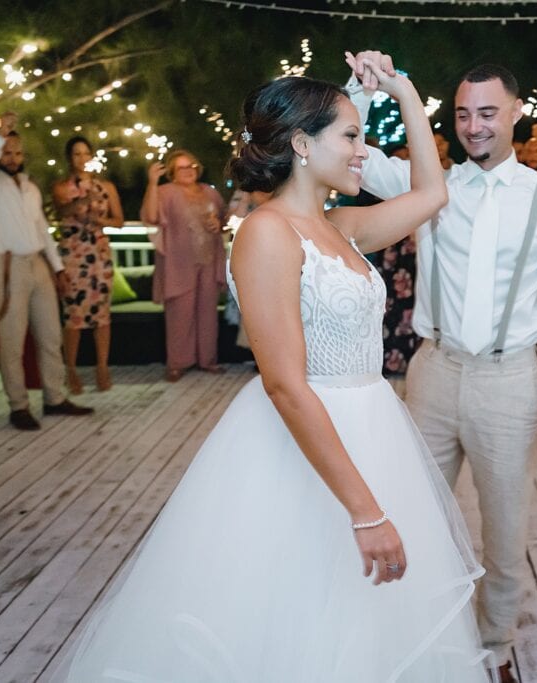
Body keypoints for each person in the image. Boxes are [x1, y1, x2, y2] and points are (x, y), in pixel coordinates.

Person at [56, 64, 492, 681]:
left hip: (372, 429)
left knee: (366, 624)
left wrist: (408, 95)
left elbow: (432, 195)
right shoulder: (265, 233)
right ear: (302, 144)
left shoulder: (339, 228)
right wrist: (366, 512)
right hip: (306, 443)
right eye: (350, 135)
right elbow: (286, 384)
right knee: (298, 612)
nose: (362, 150)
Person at [348, 52, 537, 683]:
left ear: (515, 113)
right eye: (462, 114)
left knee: (504, 534)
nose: (474, 126)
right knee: (411, 515)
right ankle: (416, 636)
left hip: (510, 381)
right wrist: (364, 87)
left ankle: (494, 650)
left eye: (487, 112)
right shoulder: (430, 182)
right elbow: (353, 159)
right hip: (432, 372)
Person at [0, 111, 93, 430]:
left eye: (17, 152)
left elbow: (42, 229)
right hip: (4, 265)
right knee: (12, 341)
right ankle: (18, 405)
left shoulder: (28, 186)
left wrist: (58, 268)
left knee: (50, 335)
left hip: (36, 263)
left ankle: (54, 397)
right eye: (7, 152)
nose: (13, 158)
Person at [141, 149, 227, 381]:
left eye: (191, 166)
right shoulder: (165, 192)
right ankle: (178, 363)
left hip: (209, 259)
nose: (188, 171)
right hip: (179, 263)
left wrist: (218, 223)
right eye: (182, 168)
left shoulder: (210, 192)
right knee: (180, 313)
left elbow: (224, 219)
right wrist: (151, 182)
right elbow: (150, 216)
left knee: (208, 313)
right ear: (172, 172)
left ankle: (207, 360)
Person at [51, 136, 124, 394]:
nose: (82, 159)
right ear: (69, 158)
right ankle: (70, 369)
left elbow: (119, 221)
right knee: (74, 316)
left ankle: (102, 367)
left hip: (99, 253)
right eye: (76, 154)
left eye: (85, 153)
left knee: (102, 315)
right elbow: (61, 212)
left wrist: (100, 219)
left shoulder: (106, 187)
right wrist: (83, 201)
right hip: (73, 254)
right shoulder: (62, 187)